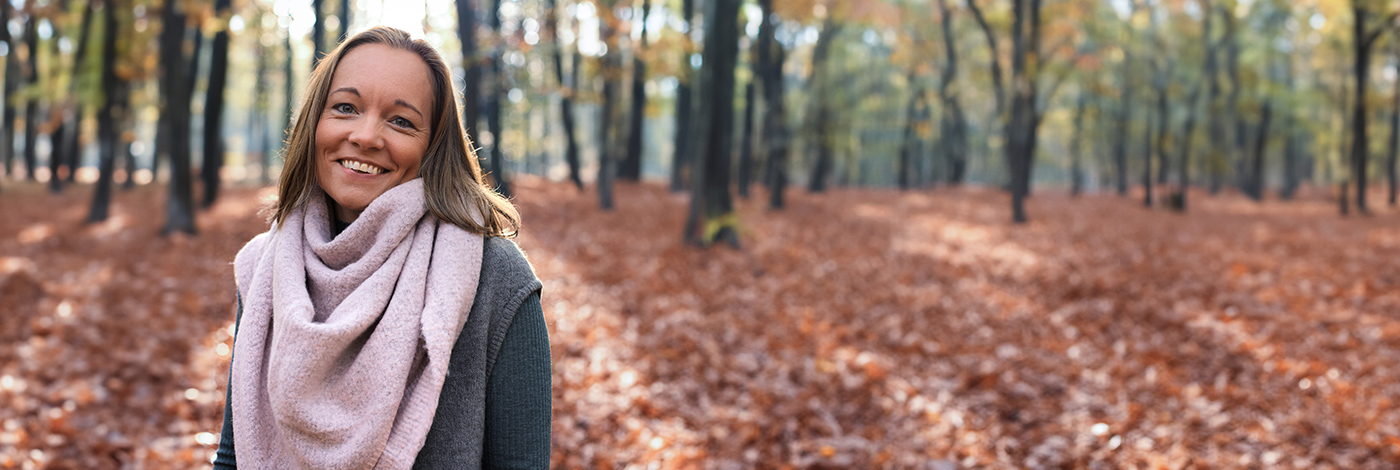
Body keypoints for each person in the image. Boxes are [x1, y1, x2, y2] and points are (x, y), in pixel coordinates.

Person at [213, 26, 550, 469]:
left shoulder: (495, 276)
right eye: (346, 108)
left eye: (401, 121)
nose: (367, 136)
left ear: (433, 147)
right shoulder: (266, 268)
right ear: (315, 122)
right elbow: (234, 457)